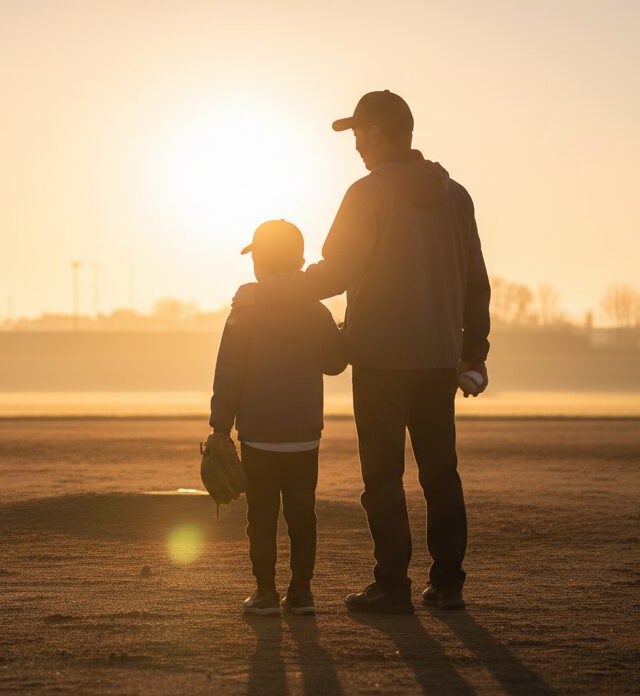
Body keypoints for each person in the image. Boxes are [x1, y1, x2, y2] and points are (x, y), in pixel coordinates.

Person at [233, 90, 491, 613]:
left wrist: (270, 291)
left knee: (383, 479)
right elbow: (475, 283)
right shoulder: (457, 196)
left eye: (357, 135)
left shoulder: (366, 193)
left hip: (378, 358)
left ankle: (392, 585)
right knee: (441, 475)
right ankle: (448, 585)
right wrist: (473, 352)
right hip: (440, 358)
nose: (355, 146)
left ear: (376, 133)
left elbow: (335, 273)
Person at [210, 219, 348, 616]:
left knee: (262, 517)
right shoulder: (315, 311)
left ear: (259, 264)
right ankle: (301, 592)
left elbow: (228, 372)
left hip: (259, 435)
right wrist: (341, 329)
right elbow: (335, 363)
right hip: (305, 434)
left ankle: (265, 592)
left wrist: (220, 427)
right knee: (303, 515)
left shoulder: (245, 311)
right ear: (302, 262)